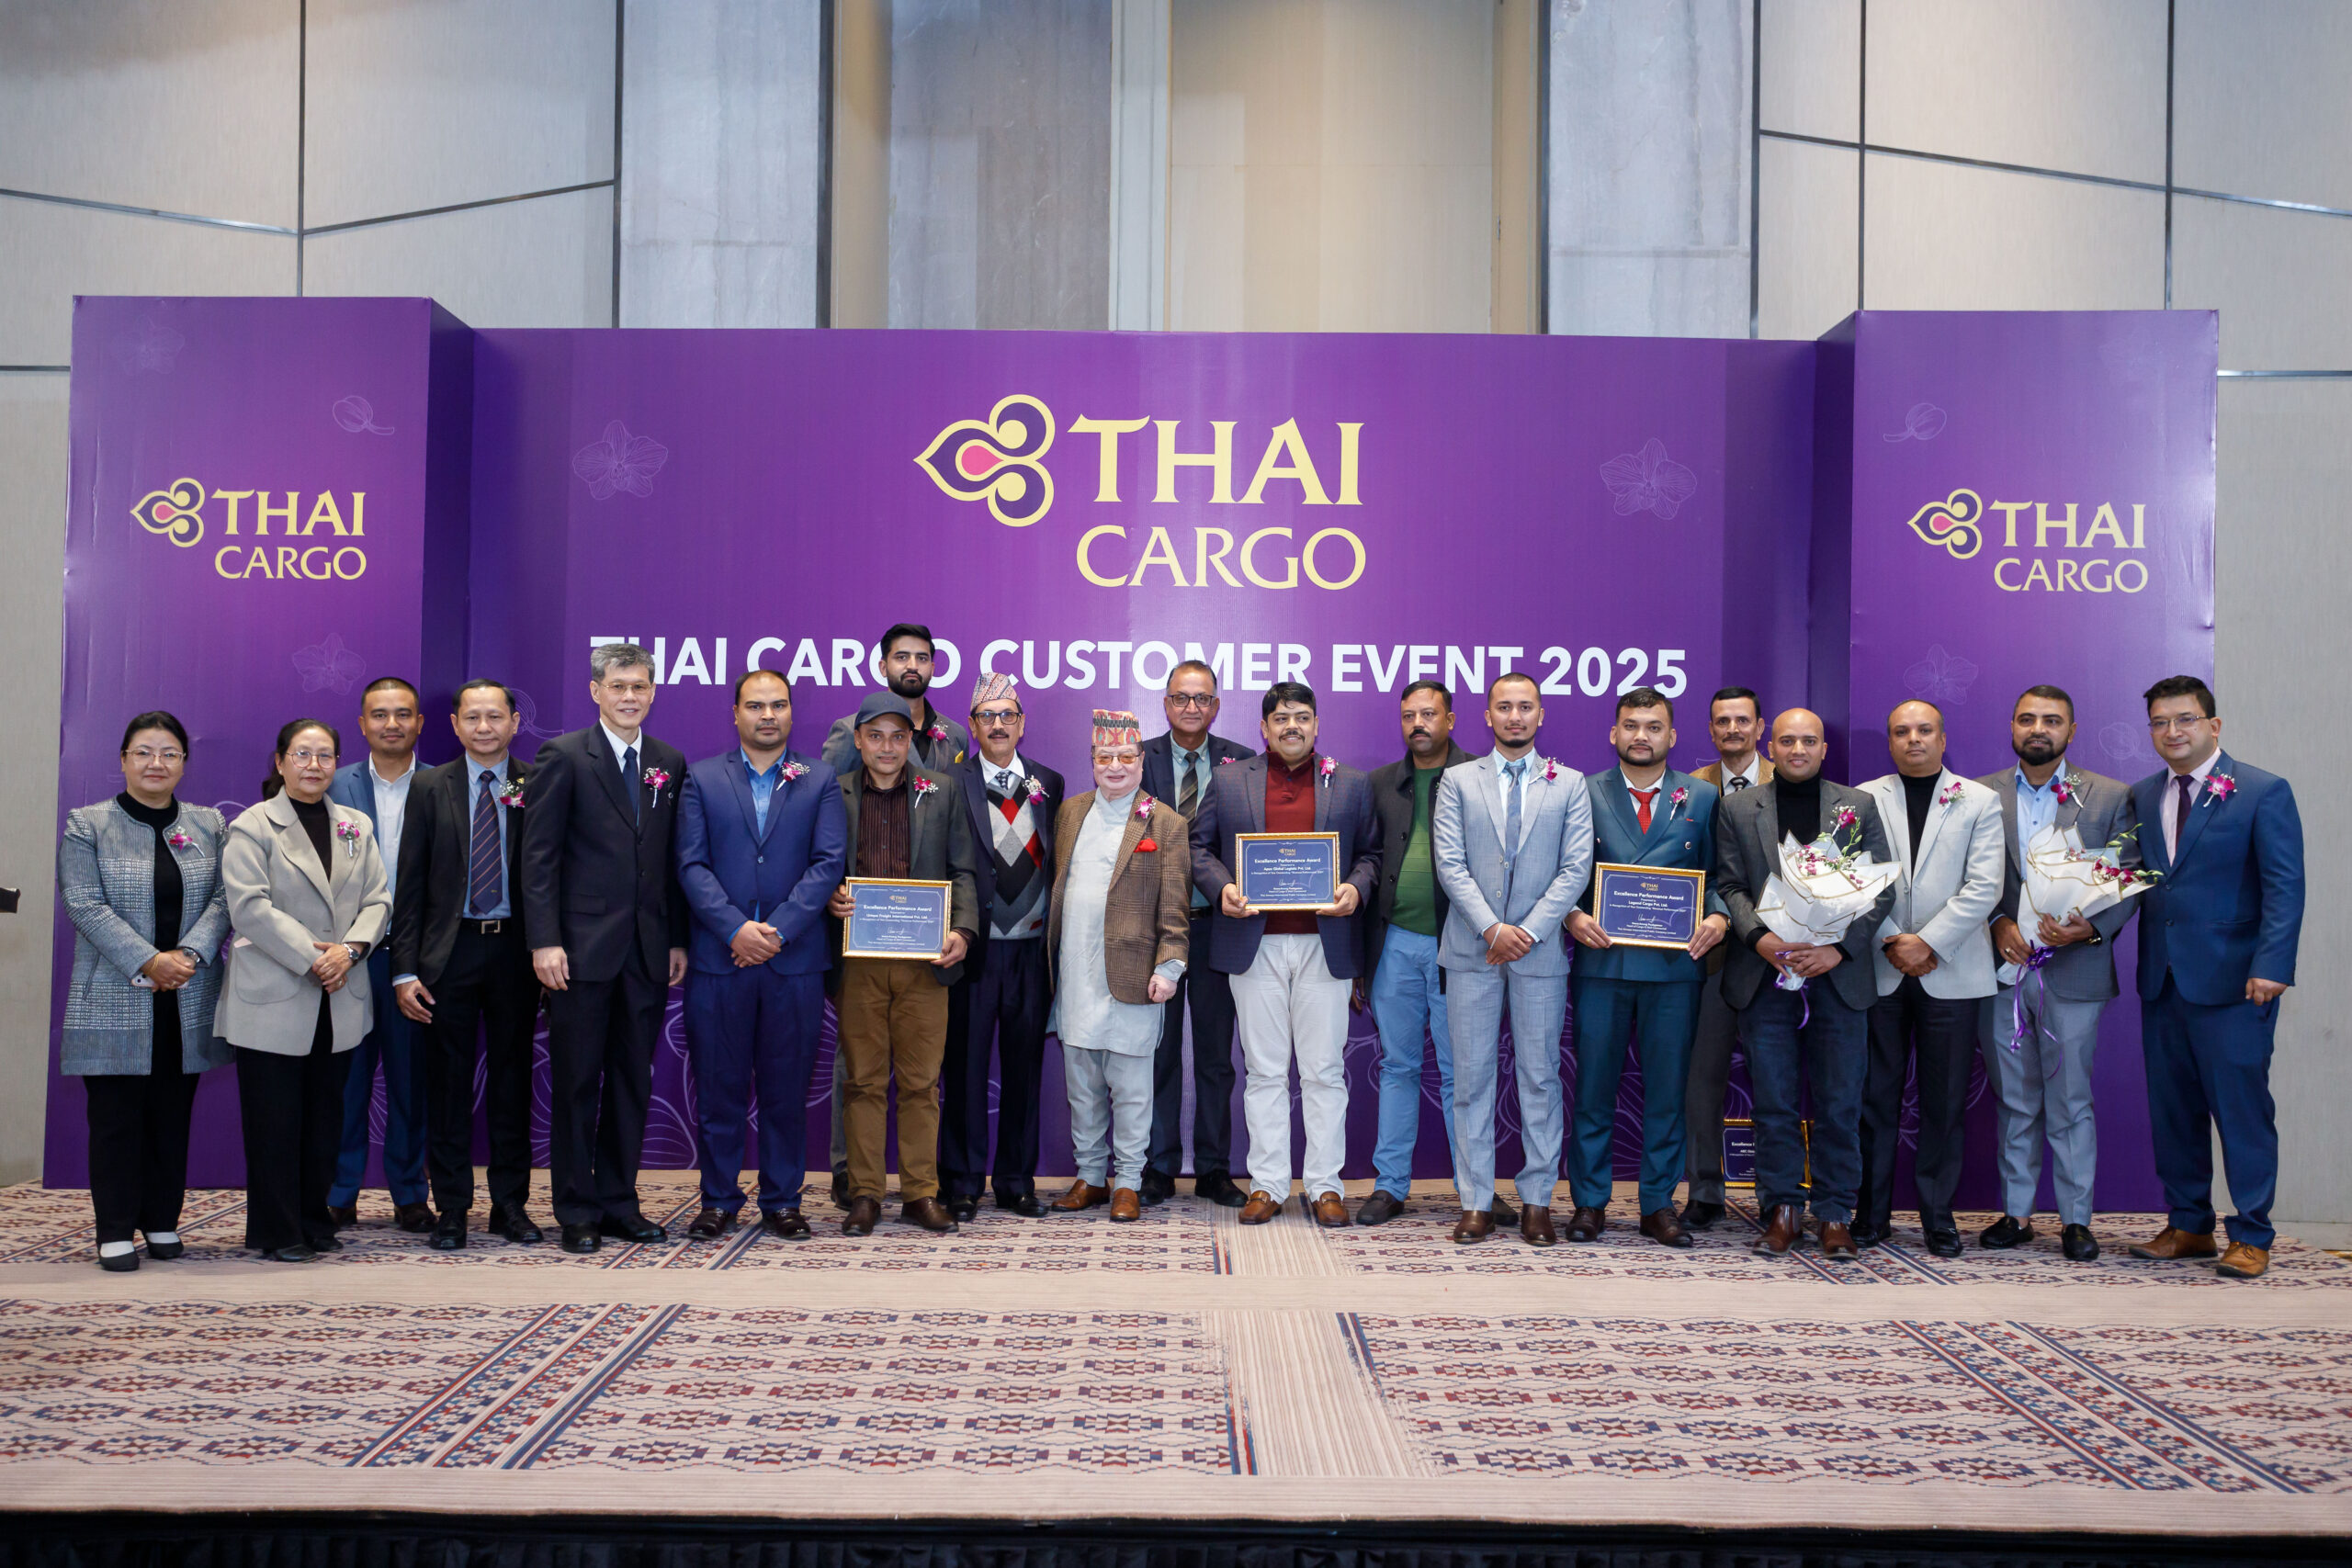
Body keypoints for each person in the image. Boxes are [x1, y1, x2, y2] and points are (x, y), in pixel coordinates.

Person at [2128, 674, 2303, 1280]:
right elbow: (2132, 880)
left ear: (2214, 725)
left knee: (2241, 1111)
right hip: (2162, 980)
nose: (2172, 731)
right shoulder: (2142, 796)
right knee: (2173, 1110)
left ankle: (2252, 1233)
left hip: (2236, 983)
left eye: (2185, 719)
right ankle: (2189, 1225)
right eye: (2159, 722)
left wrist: (2272, 964)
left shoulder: (2261, 790)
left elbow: (2285, 886)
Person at [520, 642, 690, 1256]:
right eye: (618, 686)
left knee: (630, 1083)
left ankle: (619, 1202)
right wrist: (544, 941)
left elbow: (671, 860)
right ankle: (576, 1209)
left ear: (653, 692)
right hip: (579, 953)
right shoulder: (564, 756)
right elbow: (538, 858)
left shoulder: (668, 761)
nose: (629, 696)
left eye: (639, 686)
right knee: (576, 1084)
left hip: (646, 953)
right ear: (596, 691)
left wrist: (676, 937)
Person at [1190, 682, 1379, 1226]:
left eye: (1302, 716)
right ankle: (1268, 1184)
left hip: (1326, 944)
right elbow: (1198, 847)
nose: (1291, 725)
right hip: (1255, 945)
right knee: (1264, 1071)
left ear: (1317, 725)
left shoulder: (1351, 783)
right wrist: (1222, 887)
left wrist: (1356, 889)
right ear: (1264, 727)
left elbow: (1370, 854)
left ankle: (1325, 1186)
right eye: (1280, 718)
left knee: (1324, 1071)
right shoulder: (1230, 779)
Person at [1713, 707, 1894, 1261]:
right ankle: (1783, 1209)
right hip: (1766, 974)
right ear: (1770, 746)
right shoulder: (1739, 807)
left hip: (1838, 978)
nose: (1797, 750)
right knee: (1774, 1102)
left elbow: (1881, 888)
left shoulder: (1857, 805)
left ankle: (1836, 1214)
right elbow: (1729, 884)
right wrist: (1759, 939)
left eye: (1809, 741)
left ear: (1823, 748)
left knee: (1840, 1103)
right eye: (1787, 740)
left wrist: (1837, 950)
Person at [674, 670, 846, 1242]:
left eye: (778, 705)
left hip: (793, 963)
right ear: (736, 713)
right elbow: (691, 864)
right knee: (718, 1089)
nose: (767, 715)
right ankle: (718, 1199)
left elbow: (828, 863)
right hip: (720, 960)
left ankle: (782, 1201)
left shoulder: (820, 779)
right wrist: (734, 930)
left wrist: (776, 932)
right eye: (755, 705)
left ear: (791, 712)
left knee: (785, 1091)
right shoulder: (701, 777)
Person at [57, 712, 231, 1271]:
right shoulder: (88, 824)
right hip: (114, 992)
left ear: (184, 762)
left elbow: (226, 898)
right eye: (144, 752)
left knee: (171, 1114)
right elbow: (84, 904)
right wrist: (150, 960)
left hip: (187, 992)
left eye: (169, 753)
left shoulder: (208, 825)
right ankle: (113, 1228)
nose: (157, 763)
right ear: (124, 760)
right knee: (116, 1119)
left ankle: (161, 1219)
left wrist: (189, 955)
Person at [214, 720, 391, 1261]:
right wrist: (316, 957)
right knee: (274, 1123)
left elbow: (379, 901)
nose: (314, 765)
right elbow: (250, 908)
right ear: (280, 761)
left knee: (324, 1120)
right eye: (302, 755)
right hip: (276, 992)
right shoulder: (252, 826)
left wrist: (350, 951)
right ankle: (277, 1230)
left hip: (340, 993)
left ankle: (315, 1220)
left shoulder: (356, 825)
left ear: (337, 763)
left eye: (325, 756)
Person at [1976, 684, 2138, 1262]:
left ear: (2071, 730)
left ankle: (2076, 1220)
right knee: (2014, 1099)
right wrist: (1996, 922)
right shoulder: (1981, 795)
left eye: (2051, 720)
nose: (2037, 729)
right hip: (2002, 969)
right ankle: (2017, 1214)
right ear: (2012, 727)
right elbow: (1968, 875)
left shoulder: (2110, 796)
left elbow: (2128, 877)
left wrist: (2089, 929)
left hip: (2075, 970)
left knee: (2070, 1100)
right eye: (2027, 719)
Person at [1431, 672, 1592, 1247]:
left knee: (1540, 1078)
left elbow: (1575, 868)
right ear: (1488, 716)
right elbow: (1449, 863)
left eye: (1525, 707)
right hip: (1472, 948)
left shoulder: (1569, 783)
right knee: (1471, 1080)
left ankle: (1537, 1200)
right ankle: (1475, 1200)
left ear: (1541, 715)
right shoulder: (1458, 780)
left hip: (1539, 953)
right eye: (1504, 707)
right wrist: (1492, 928)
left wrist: (1525, 931)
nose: (1515, 716)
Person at [1564, 687, 1726, 1248]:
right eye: (1631, 725)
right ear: (1614, 733)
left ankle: (1658, 1203)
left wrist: (1720, 917)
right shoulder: (1582, 792)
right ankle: (1589, 1202)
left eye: (1653, 726)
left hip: (1675, 971)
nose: (1641, 735)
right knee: (1593, 1091)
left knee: (1667, 1093)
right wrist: (1571, 914)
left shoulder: (1702, 796)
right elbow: (1561, 870)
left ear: (1671, 736)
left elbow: (1720, 875)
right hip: (1602, 965)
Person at [390, 679, 546, 1249]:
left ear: (514, 723)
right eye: (473, 717)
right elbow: (410, 885)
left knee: (512, 1082)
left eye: (495, 716)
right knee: (447, 1085)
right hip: (448, 953)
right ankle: (452, 1207)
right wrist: (405, 969)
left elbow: (552, 873)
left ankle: (510, 1205)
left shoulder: (536, 782)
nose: (484, 727)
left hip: (515, 952)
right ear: (455, 725)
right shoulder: (430, 786)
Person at [824, 691, 982, 1236]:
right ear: (859, 741)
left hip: (925, 962)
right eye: (875, 737)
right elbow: (817, 864)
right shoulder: (834, 792)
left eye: (897, 737)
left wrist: (962, 929)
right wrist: (828, 897)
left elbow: (963, 870)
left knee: (921, 1083)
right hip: (858, 960)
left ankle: (920, 1193)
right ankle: (865, 1194)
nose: (887, 747)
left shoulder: (941, 790)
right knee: (863, 1082)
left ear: (910, 741)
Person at [1855, 700, 2005, 1256]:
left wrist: (1929, 942)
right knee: (1875, 1098)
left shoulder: (1979, 800)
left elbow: (1985, 886)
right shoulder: (1865, 798)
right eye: (1901, 731)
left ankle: (1938, 1217)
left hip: (1954, 968)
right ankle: (1870, 1215)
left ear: (1943, 739)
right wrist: (1894, 939)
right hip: (1882, 965)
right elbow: (1855, 879)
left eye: (1924, 730)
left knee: (1944, 1103)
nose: (1913, 739)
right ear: (1890, 741)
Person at [1360, 682, 1506, 1226]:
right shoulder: (1378, 783)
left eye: (1428, 714)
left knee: (1462, 1073)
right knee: (1398, 1066)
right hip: (1394, 943)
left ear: (1451, 719)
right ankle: (1390, 1186)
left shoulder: (1482, 776)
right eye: (1408, 716)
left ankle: (1477, 1190)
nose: (1418, 724)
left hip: (1462, 946)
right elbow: (1366, 860)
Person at [1046, 711, 1191, 1221]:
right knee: (1082, 1089)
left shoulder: (1165, 822)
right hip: (1076, 973)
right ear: (1091, 761)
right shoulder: (1071, 812)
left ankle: (1128, 1181)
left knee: (1132, 1092)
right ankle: (1090, 1177)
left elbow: (1175, 908)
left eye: (1125, 756)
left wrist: (1169, 967)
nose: (1115, 766)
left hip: (1135, 977)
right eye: (1105, 756)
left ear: (1141, 761)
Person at [936, 673, 1064, 1221]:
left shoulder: (1049, 782)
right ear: (972, 725)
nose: (998, 724)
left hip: (1032, 952)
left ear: (1022, 723)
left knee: (1025, 1072)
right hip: (974, 950)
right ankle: (962, 1183)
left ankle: (1016, 1181)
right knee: (964, 1070)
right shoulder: (949, 782)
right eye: (987, 715)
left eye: (1007, 714)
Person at [1137, 659, 1255, 1207]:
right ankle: (1158, 1167)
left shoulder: (1243, 762)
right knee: (1158, 1054)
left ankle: (1212, 1168)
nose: (1191, 707)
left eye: (1202, 698)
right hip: (1155, 929)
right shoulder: (1139, 759)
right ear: (1165, 704)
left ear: (1216, 706)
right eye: (1181, 697)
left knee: (1215, 1057)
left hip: (1217, 929)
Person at [323, 676, 431, 1235]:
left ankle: (410, 1194)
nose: (393, 724)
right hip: (346, 956)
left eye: (403, 714)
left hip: (414, 960)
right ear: (362, 724)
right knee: (345, 1083)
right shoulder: (330, 784)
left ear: (420, 723)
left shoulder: (442, 784)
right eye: (380, 714)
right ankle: (338, 1193)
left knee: (412, 1083)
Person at [1682, 685, 1770, 1229]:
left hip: (1777, 959)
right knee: (1702, 1079)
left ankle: (1778, 1194)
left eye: (1742, 720)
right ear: (1710, 730)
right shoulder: (1690, 790)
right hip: (1711, 957)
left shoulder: (1792, 781)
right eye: (1722, 722)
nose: (1732, 729)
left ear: (1760, 728)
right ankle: (1705, 1191)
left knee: (1777, 1079)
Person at [820, 622, 972, 774]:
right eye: (902, 657)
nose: (912, 666)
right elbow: (832, 787)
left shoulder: (956, 735)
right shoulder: (851, 729)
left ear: (932, 669)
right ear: (883, 667)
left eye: (922, 658)